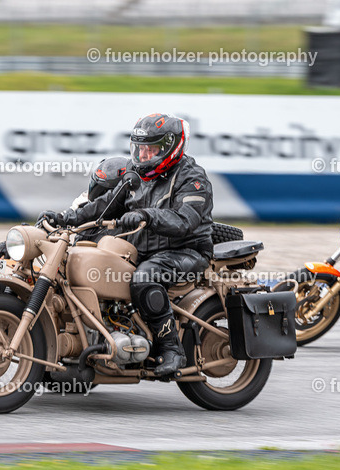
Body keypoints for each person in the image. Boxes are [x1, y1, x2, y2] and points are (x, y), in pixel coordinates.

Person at [40, 113, 214, 377]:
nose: (143, 156)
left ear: (170, 147)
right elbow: (105, 205)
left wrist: (146, 215)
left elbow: (184, 222)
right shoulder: (136, 176)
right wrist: (68, 217)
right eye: (140, 149)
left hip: (186, 250)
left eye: (151, 150)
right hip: (143, 247)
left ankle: (172, 349)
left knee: (144, 277)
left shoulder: (193, 179)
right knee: (89, 261)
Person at [0, 156, 131, 259]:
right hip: (78, 261)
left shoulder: (133, 212)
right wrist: (18, 243)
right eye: (95, 186)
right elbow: (58, 222)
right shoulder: (84, 202)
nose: (96, 195)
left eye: (104, 192)